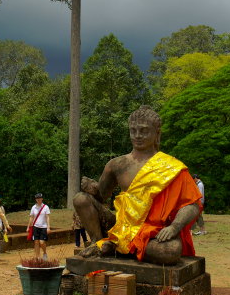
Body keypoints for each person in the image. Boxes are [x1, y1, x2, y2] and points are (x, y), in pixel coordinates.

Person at [74, 105, 202, 264]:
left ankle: (116, 247)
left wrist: (174, 227)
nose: (137, 135)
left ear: (157, 133)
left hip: (150, 232)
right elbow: (101, 197)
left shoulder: (171, 167)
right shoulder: (117, 164)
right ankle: (98, 243)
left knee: (171, 251)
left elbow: (192, 205)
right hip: (120, 226)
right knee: (80, 198)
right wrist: (92, 188)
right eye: (133, 130)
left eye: (143, 131)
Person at [27, 193, 51, 260]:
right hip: (35, 227)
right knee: (36, 242)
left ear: (42, 199)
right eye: (37, 198)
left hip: (43, 227)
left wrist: (48, 227)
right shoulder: (33, 207)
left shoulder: (46, 207)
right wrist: (28, 226)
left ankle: (45, 253)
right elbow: (31, 217)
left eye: (39, 198)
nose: (38, 200)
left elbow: (47, 217)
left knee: (42, 242)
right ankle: (37, 257)